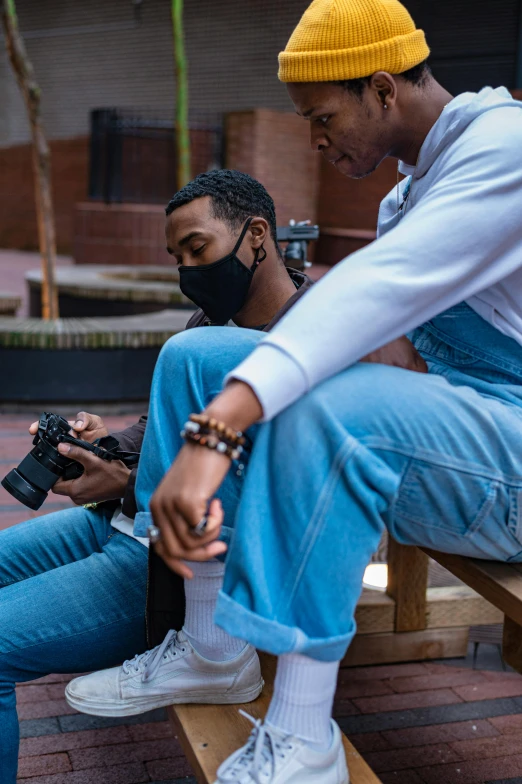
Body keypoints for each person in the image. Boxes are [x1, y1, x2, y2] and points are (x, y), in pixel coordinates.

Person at [65, 0, 522, 782]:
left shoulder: (505, 149)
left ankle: (303, 741)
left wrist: (226, 432)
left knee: (320, 406)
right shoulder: (405, 195)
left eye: (320, 116)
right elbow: (390, 347)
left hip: (510, 468)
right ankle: (212, 647)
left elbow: (383, 288)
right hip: (455, 446)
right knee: (198, 354)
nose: (313, 137)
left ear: (383, 88)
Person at [0, 168, 423, 783]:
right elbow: (162, 430)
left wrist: (130, 483)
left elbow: (291, 496)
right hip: (115, 528)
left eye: (198, 249)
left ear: (256, 237)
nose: (187, 271)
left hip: (166, 574)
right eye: (176, 257)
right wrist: (107, 453)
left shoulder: (325, 342)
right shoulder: (208, 327)